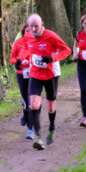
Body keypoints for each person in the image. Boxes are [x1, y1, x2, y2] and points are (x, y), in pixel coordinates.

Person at [23, 14, 71, 150]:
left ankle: (51, 127)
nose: (33, 29)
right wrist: (23, 60)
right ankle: (38, 137)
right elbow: (28, 52)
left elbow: (67, 50)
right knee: (34, 104)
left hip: (51, 75)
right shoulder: (27, 37)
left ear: (42, 24)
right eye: (31, 26)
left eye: (36, 26)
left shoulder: (51, 36)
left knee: (50, 106)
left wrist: (53, 58)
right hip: (35, 74)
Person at [9, 23, 33, 140]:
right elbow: (12, 58)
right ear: (23, 32)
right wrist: (18, 61)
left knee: (31, 101)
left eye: (31, 31)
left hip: (34, 74)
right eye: (27, 31)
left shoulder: (36, 43)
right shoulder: (18, 43)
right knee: (25, 101)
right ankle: (26, 116)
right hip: (21, 74)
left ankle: (30, 129)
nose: (29, 33)